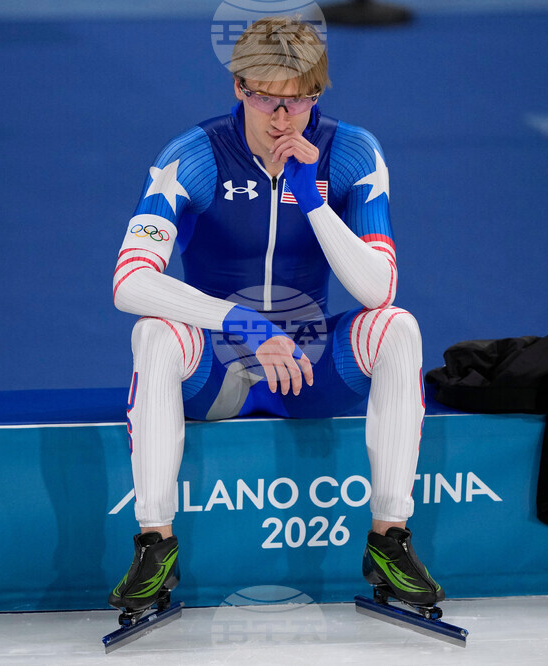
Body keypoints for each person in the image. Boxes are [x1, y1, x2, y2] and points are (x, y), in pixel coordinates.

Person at [109, 15, 443, 618]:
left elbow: (378, 287)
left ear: (317, 95)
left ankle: (389, 538)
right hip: (218, 372)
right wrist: (241, 324)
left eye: (300, 102)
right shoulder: (194, 157)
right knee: (154, 333)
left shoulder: (350, 153)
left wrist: (310, 193)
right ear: (239, 88)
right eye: (267, 100)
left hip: (309, 370)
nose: (284, 120)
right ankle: (155, 545)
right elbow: (130, 281)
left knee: (400, 328)